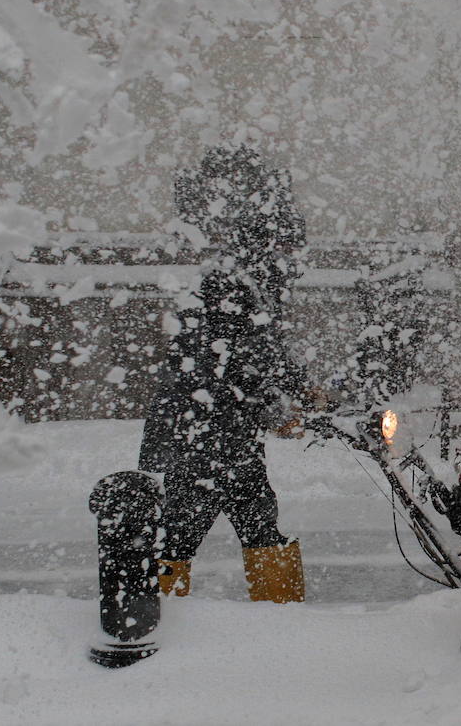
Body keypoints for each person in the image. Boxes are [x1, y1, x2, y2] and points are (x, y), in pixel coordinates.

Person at [139, 145, 309, 603]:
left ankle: (279, 615)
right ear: (269, 248)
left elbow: (258, 359)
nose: (294, 261)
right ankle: (157, 617)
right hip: (201, 437)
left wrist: (289, 394)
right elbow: (252, 361)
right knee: (185, 529)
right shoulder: (233, 290)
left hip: (216, 433)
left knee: (250, 522)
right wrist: (291, 397)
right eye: (288, 250)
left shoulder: (241, 290)